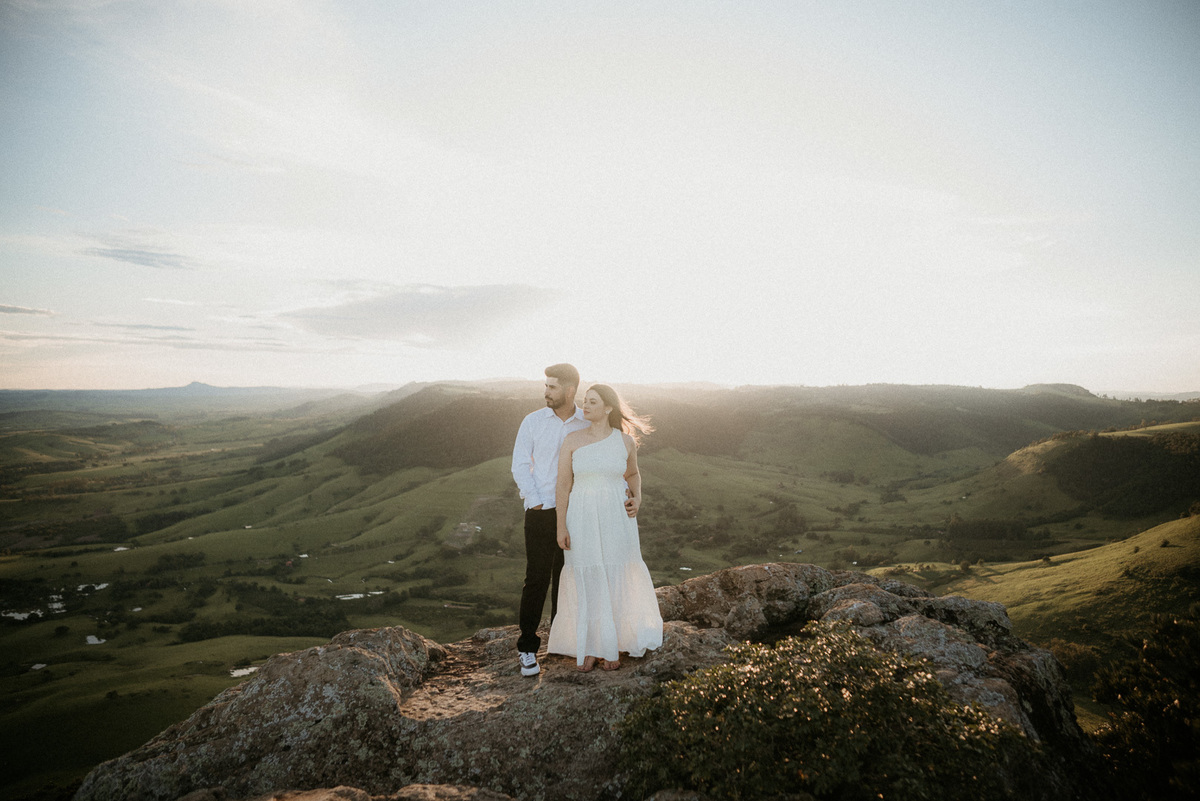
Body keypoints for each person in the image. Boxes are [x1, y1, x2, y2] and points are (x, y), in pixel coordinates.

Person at [548, 384, 663, 671]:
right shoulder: (572, 440)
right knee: (587, 574)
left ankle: (613, 643)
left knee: (616, 571)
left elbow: (633, 473)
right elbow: (563, 485)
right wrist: (561, 525)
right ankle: (588, 646)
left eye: (592, 402)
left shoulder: (624, 442)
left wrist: (637, 498)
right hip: (581, 516)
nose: (584, 406)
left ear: (608, 408)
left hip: (616, 518)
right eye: (584, 401)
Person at [511, 363, 589, 676]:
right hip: (542, 512)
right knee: (536, 578)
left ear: (570, 390)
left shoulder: (587, 422)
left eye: (552, 386)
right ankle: (528, 648)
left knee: (567, 578)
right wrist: (537, 501)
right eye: (545, 385)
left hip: (575, 511)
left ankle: (559, 642)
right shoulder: (532, 422)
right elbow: (519, 465)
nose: (546, 391)